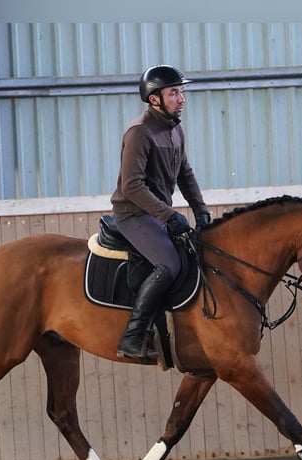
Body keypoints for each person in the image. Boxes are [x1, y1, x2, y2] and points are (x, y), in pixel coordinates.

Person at [110, 65, 211, 359]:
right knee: (169, 264)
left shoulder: (175, 128)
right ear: (154, 99)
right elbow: (132, 186)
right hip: (132, 214)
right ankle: (133, 335)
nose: (182, 99)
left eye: (181, 92)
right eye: (174, 93)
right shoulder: (140, 132)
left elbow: (185, 173)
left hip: (155, 213)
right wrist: (169, 215)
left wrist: (200, 210)